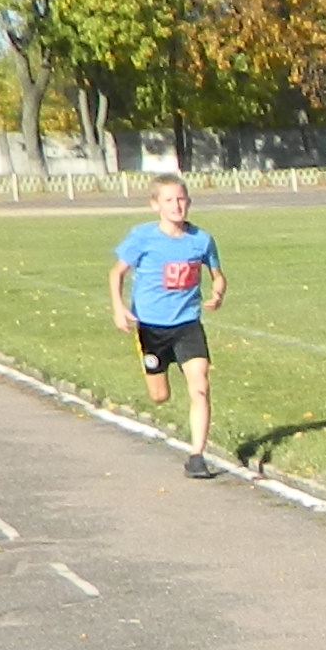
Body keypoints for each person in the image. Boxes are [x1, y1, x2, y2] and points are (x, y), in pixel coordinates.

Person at [106, 175, 228, 475]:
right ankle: (157, 376)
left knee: (200, 386)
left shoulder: (201, 240)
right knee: (159, 396)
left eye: (181, 199)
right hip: (151, 327)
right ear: (156, 205)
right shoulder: (142, 237)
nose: (177, 206)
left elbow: (217, 274)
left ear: (189, 202)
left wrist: (218, 293)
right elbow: (116, 274)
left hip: (187, 325)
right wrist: (119, 308)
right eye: (169, 200)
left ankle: (197, 456)